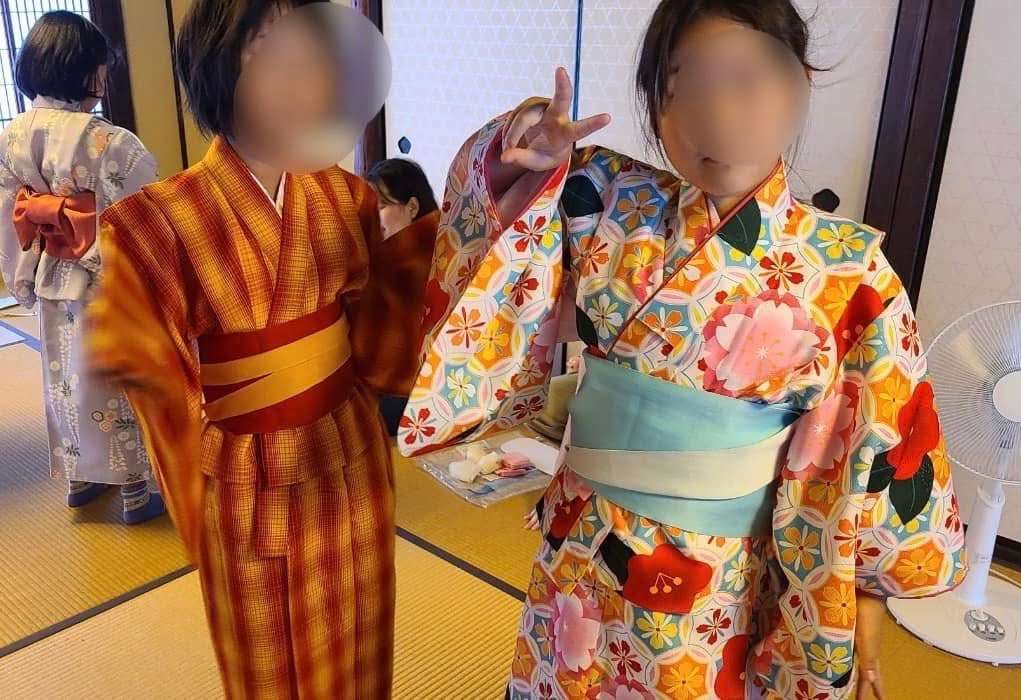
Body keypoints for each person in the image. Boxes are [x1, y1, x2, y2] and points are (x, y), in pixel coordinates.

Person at [399, 1, 967, 698]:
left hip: (716, 577)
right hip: (580, 546)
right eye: (683, 86)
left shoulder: (850, 271)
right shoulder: (607, 200)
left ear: (799, 84)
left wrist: (866, 597)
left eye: (746, 79)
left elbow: (878, 442)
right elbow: (497, 229)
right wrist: (524, 157)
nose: (716, 114)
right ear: (653, 104)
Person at [85, 1, 433, 697]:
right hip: (248, 477)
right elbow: (150, 371)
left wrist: (494, 186)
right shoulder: (155, 221)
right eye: (272, 51)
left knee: (362, 642)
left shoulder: (345, 197)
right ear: (218, 64)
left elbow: (384, 333)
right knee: (268, 665)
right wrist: (199, 497)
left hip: (350, 458)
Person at [0, 11, 163, 523]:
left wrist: (20, 273)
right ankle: (135, 490)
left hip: (50, 271)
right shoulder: (109, 141)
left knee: (65, 375)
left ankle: (80, 478)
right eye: (102, 68)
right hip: (107, 279)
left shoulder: (11, 135)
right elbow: (144, 212)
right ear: (86, 70)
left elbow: (8, 212)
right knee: (117, 375)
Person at [366, 157, 439, 435]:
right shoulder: (383, 255)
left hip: (419, 394)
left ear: (412, 207)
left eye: (382, 207)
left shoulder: (434, 258)